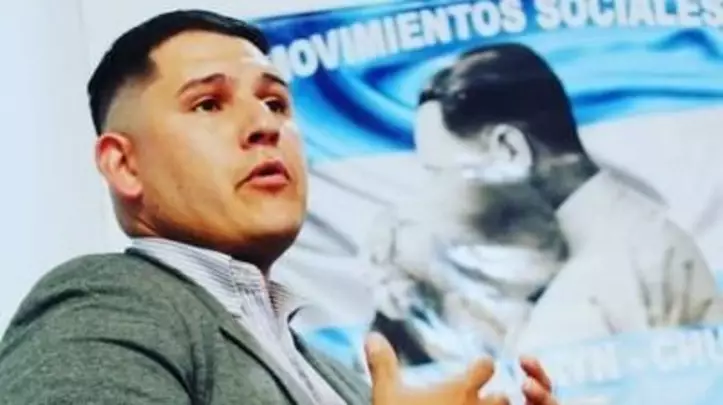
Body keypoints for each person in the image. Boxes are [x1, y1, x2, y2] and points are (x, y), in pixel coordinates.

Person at [0, 10, 558, 405]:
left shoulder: (339, 382)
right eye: (208, 103)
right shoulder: (106, 301)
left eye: (275, 102)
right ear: (124, 165)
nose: (265, 125)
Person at [366, 41, 723, 360]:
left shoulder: (614, 272)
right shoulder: (638, 239)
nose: (433, 200)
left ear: (509, 149)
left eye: (440, 174)